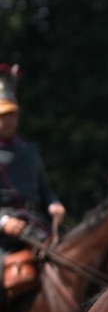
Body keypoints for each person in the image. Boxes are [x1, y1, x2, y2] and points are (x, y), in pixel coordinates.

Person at [0, 63, 66, 297]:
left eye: (12, 115)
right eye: (3, 116)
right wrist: (4, 221)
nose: (8, 121)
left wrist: (54, 203)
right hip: (4, 235)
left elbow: (44, 188)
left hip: (37, 225)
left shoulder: (29, 149)